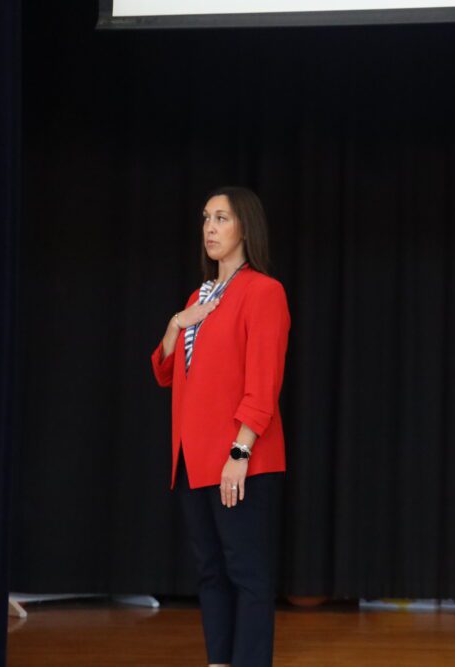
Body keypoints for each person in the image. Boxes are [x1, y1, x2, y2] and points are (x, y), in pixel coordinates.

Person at [151, 187, 290, 667]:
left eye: (222, 218)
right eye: (206, 218)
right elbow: (166, 371)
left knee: (246, 573)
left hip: (238, 458)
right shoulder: (199, 296)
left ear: (244, 227)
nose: (209, 227)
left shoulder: (264, 291)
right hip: (192, 459)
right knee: (210, 573)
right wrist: (176, 323)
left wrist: (240, 453)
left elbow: (263, 382)